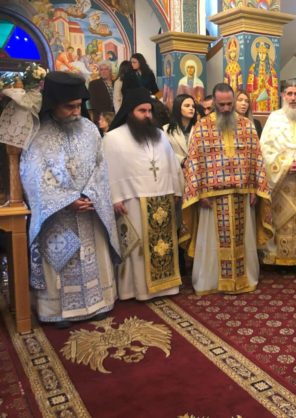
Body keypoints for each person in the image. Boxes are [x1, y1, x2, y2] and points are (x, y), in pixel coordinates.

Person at [20, 71, 119, 328]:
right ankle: (59, 312)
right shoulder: (38, 134)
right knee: (63, 261)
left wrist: (90, 194)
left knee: (93, 256)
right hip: (58, 216)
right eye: (69, 106)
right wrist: (67, 200)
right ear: (53, 103)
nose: (76, 112)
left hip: (90, 209)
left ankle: (98, 304)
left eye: (79, 105)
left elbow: (100, 167)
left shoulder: (90, 129)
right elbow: (33, 175)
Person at [182, 83, 271, 295]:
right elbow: (194, 162)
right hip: (211, 198)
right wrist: (200, 192)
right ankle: (211, 281)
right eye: (221, 105)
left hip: (242, 195)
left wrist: (254, 189)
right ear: (214, 102)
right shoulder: (202, 126)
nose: (225, 109)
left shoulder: (247, 125)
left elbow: (255, 159)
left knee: (243, 239)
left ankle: (242, 279)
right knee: (212, 242)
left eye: (229, 104)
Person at [103, 87, 183, 300]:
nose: (147, 115)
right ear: (130, 111)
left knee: (163, 246)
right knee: (137, 248)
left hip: (162, 197)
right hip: (132, 200)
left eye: (149, 111)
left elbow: (172, 164)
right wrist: (115, 198)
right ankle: (135, 290)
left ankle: (166, 286)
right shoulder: (113, 138)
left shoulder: (160, 135)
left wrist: (176, 189)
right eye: (142, 111)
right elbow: (108, 170)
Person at [260, 79, 296, 266]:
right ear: (282, 95)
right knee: (280, 219)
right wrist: (285, 164)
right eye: (289, 94)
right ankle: (276, 257)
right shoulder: (274, 119)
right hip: (280, 182)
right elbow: (265, 150)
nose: (293, 98)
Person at [164, 93, 198, 167]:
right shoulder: (166, 129)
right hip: (175, 168)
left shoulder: (199, 128)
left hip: (195, 169)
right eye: (187, 106)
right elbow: (164, 151)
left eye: (193, 106)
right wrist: (182, 160)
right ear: (178, 108)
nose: (191, 108)